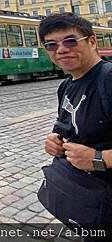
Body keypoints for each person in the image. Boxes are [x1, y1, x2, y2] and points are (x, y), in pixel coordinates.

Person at [38, 13, 112, 228]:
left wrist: (99, 158)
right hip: (91, 202)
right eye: (51, 45)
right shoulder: (66, 85)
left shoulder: (108, 80)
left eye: (70, 41)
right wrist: (55, 140)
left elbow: (94, 156)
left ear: (91, 41)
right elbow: (69, 128)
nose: (61, 49)